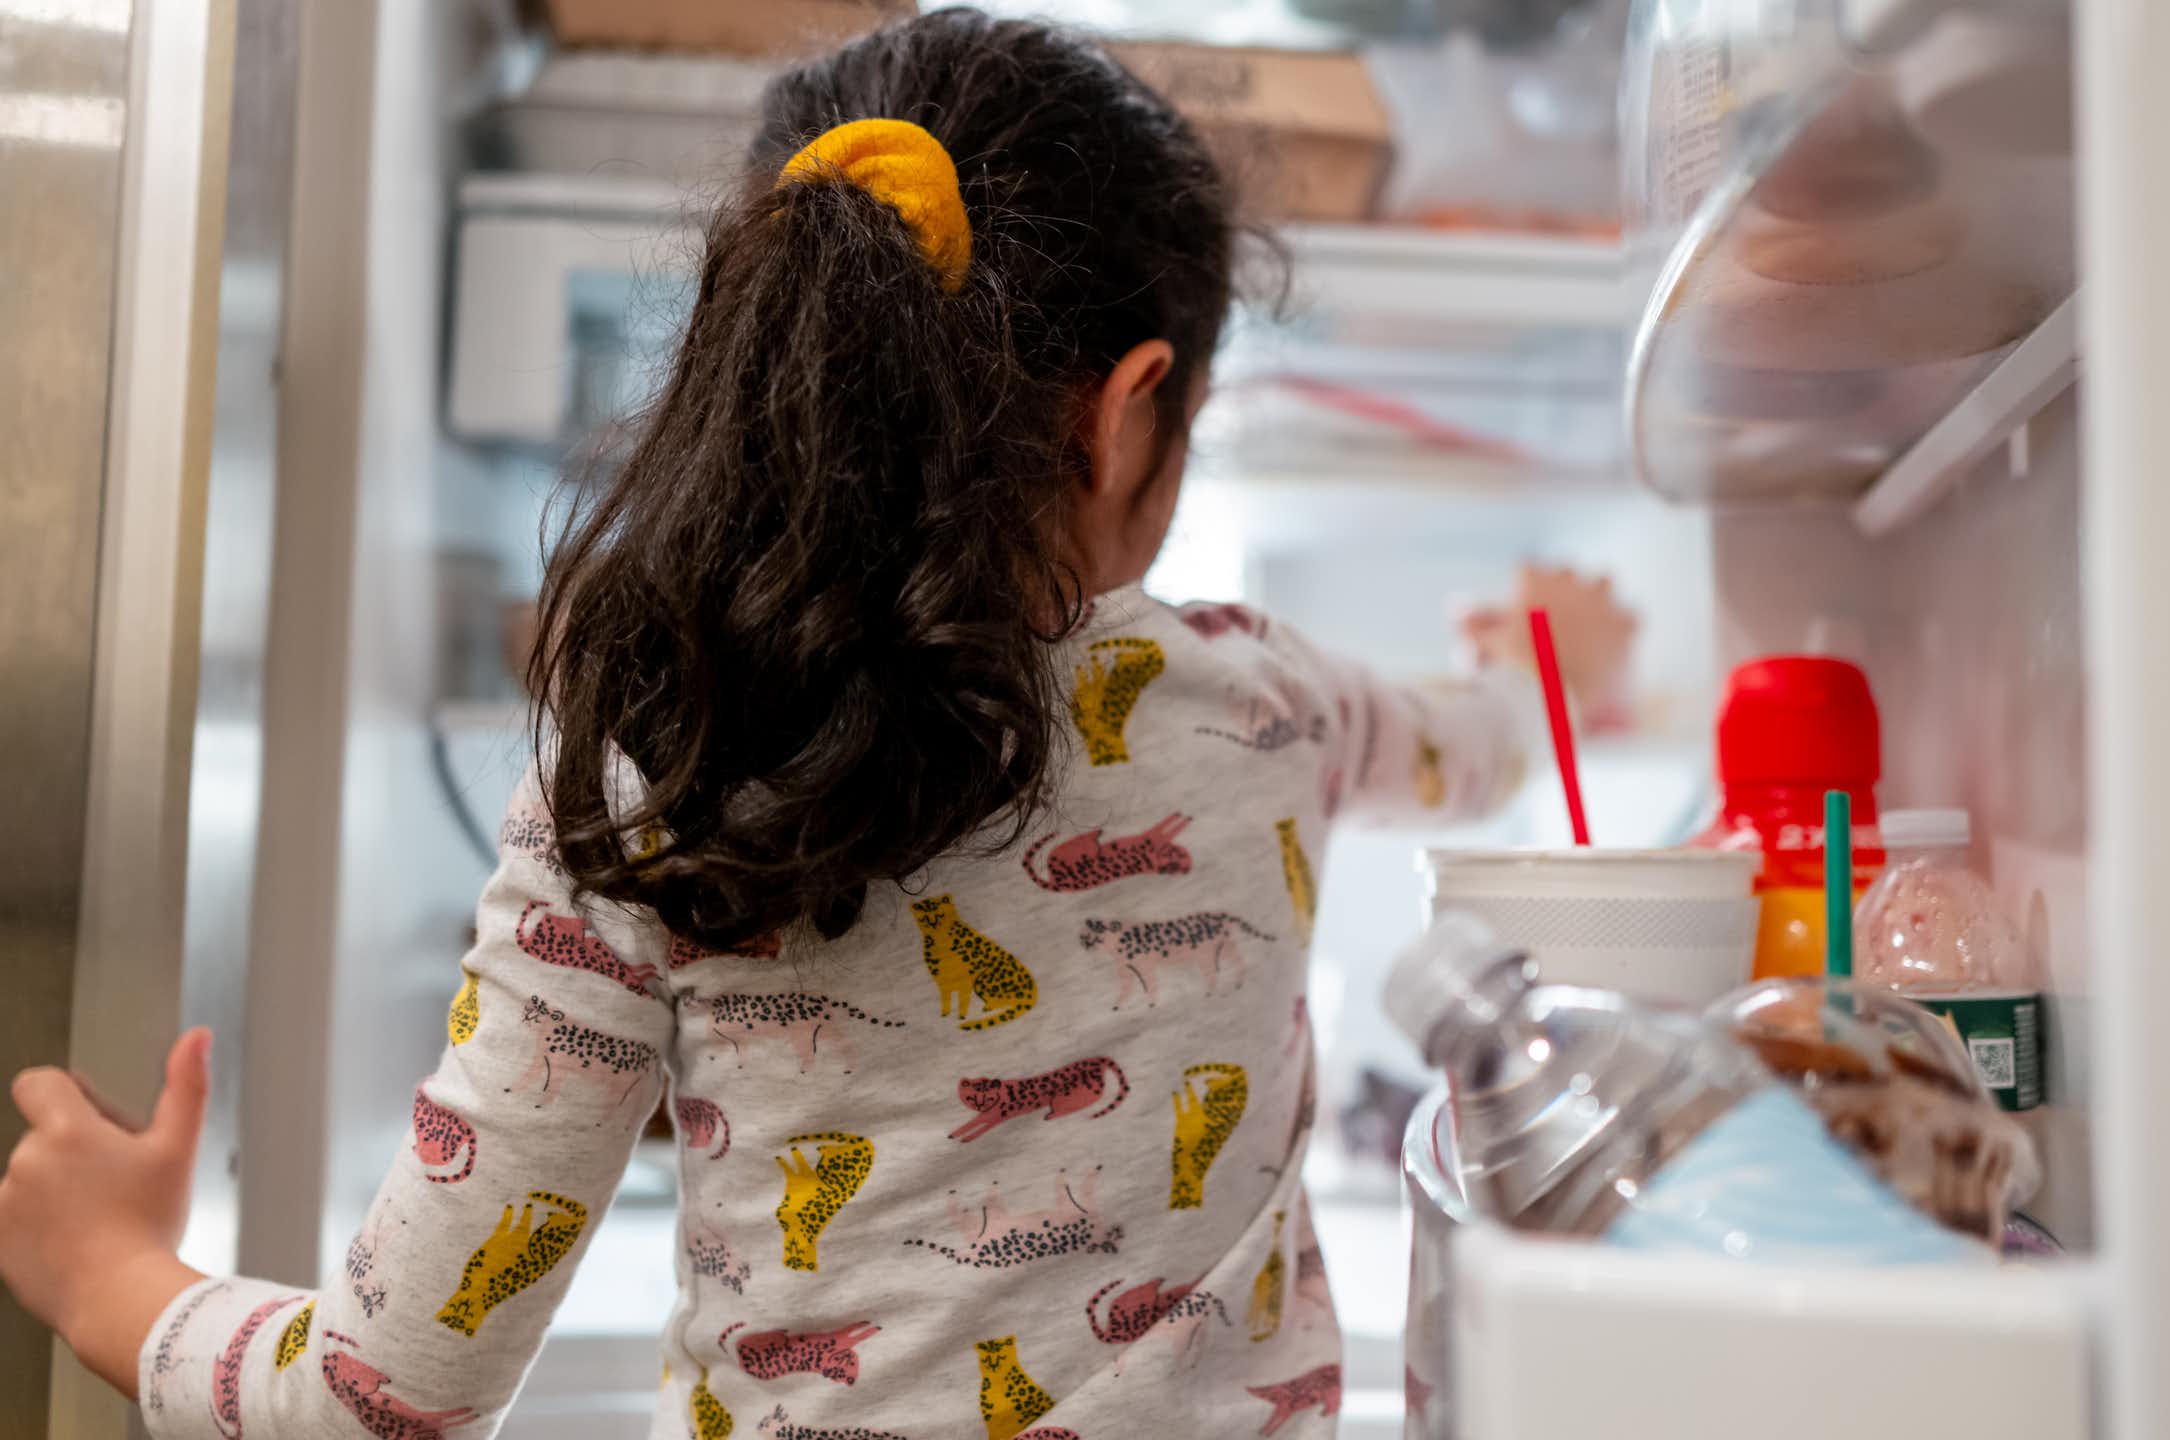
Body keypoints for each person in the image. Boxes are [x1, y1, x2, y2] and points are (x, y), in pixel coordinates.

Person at [0, 11, 1569, 1437]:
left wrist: (113, 1278)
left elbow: (385, 1395)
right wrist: (1516, 665)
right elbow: (1472, 750)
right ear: (1131, 406)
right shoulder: (1270, 698)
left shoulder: (651, 772)